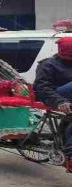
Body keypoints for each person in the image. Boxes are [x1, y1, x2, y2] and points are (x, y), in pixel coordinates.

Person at [34, 37, 72, 172]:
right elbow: (42, 88)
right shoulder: (47, 65)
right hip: (52, 96)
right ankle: (70, 156)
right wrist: (60, 101)